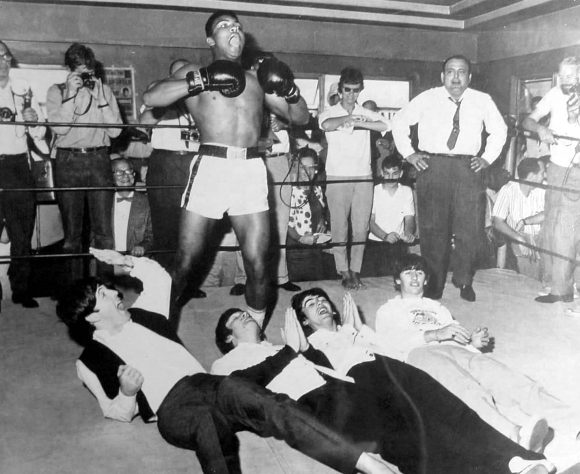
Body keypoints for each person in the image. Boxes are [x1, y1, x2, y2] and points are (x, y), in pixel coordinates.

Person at [55, 247, 397, 474]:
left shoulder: (145, 314)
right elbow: (114, 411)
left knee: (273, 404)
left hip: (210, 384)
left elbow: (159, 278)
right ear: (91, 315)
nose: (116, 292)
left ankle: (366, 463)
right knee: (209, 429)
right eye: (105, 293)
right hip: (174, 409)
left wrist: (127, 261)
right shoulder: (89, 362)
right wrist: (128, 394)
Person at [212, 303, 553, 474]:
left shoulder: (279, 346)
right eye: (236, 320)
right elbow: (241, 391)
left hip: (344, 389)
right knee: (412, 445)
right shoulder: (224, 364)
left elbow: (324, 361)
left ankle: (515, 460)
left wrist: (350, 332)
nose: (246, 317)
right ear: (227, 338)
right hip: (316, 406)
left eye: (247, 314)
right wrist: (289, 351)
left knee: (431, 427)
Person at [142, 10, 309, 329]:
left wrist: (290, 91)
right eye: (224, 25)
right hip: (211, 168)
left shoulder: (255, 80)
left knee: (260, 263)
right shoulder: (194, 71)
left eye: (238, 25)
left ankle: (253, 335)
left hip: (250, 171)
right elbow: (152, 96)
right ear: (209, 40)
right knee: (186, 261)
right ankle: (156, 327)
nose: (234, 29)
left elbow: (299, 118)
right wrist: (202, 80)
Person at [375, 254, 580, 454]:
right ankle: (514, 434)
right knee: (466, 387)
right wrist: (434, 334)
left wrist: (472, 343)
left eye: (419, 272)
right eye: (407, 272)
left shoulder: (438, 308)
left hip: (456, 350)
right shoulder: (388, 310)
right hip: (419, 355)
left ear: (426, 280)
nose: (414, 277)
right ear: (396, 279)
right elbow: (389, 345)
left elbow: (457, 337)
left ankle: (574, 423)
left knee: (510, 379)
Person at [392, 54, 507, 302]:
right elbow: (399, 122)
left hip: (468, 169)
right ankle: (434, 284)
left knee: (469, 230)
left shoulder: (482, 100)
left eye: (461, 72)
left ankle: (464, 280)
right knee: (434, 231)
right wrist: (410, 154)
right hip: (433, 167)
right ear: (443, 76)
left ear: (469, 77)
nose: (456, 77)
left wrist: (487, 158)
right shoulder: (427, 98)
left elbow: (500, 130)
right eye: (451, 72)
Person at [46, 42, 122, 284]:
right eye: (79, 71)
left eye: (89, 70)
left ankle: (106, 285)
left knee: (104, 233)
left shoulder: (104, 91)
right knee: (72, 234)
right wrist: (70, 94)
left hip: (99, 159)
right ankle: (74, 289)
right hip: (68, 162)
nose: (85, 75)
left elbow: (115, 132)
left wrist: (101, 100)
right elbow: (59, 127)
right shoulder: (56, 91)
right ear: (69, 70)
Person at [319, 67, 390, 290]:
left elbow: (386, 125)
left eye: (355, 90)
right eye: (347, 90)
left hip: (363, 177)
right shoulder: (329, 111)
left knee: (360, 228)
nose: (351, 95)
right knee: (339, 227)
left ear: (360, 90)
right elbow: (326, 125)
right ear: (340, 90)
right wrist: (349, 117)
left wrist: (359, 122)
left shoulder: (364, 112)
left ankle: (356, 270)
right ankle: (343, 270)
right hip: (337, 176)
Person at [521, 56, 580, 304]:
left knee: (566, 229)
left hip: (576, 170)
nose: (567, 80)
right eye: (563, 75)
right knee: (554, 225)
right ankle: (559, 285)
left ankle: (562, 290)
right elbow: (527, 119)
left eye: (573, 75)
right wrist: (539, 129)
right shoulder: (554, 94)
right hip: (556, 167)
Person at [139, 59, 202, 279]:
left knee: (191, 227)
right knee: (164, 228)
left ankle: (187, 283)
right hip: (165, 163)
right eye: (178, 75)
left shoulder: (199, 100)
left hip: (194, 163)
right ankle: (163, 283)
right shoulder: (159, 96)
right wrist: (164, 103)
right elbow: (143, 122)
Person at [0, 41, 46, 308]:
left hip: (18, 166)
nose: (2, 61)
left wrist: (33, 121)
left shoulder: (22, 90)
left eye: (6, 56)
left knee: (22, 232)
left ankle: (20, 289)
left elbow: (39, 136)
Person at [492, 158, 546, 281]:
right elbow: (497, 221)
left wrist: (527, 222)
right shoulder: (508, 190)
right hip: (516, 238)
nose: (544, 176)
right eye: (542, 173)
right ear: (532, 176)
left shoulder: (542, 191)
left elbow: (549, 214)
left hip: (539, 238)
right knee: (528, 273)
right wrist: (520, 238)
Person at [369, 155, 415, 273]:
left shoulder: (406, 191)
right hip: (375, 244)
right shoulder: (373, 190)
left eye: (394, 173)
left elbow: (409, 219)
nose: (390, 177)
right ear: (381, 173)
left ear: (401, 173)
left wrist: (408, 234)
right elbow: (370, 221)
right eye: (387, 173)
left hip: (398, 244)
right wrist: (385, 236)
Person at [287, 146, 329, 246]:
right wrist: (301, 239)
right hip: (297, 248)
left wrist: (322, 221)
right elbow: (287, 225)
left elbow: (321, 210)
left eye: (311, 167)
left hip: (315, 244)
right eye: (303, 167)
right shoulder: (292, 192)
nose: (307, 171)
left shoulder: (317, 188)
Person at [111, 158, 153, 257]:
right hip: (109, 261)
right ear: (110, 177)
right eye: (119, 172)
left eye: (128, 171)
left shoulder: (147, 202)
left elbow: (152, 234)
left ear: (134, 175)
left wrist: (143, 246)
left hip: (137, 262)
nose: (125, 176)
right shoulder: (104, 203)